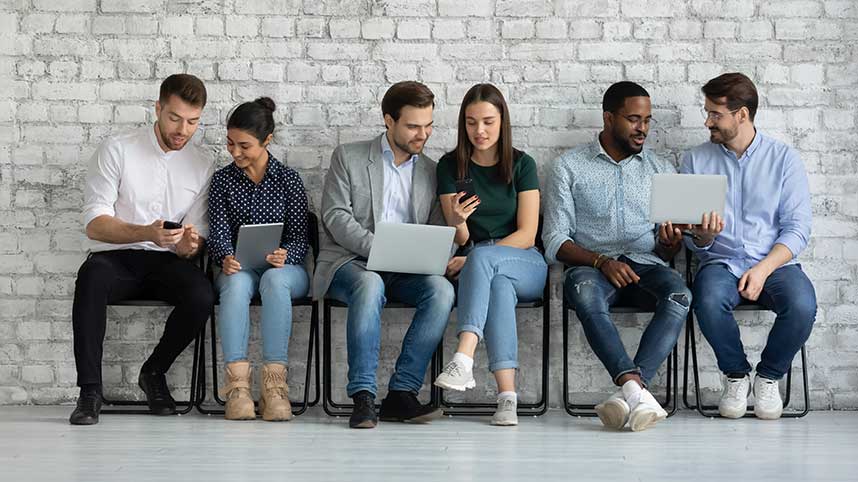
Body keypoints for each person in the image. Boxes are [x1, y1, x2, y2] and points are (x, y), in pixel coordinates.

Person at [662, 73, 816, 420]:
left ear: (742, 115)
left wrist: (763, 270)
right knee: (708, 299)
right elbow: (695, 241)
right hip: (721, 262)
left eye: (715, 114)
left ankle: (768, 377)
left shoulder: (784, 160)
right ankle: (736, 375)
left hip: (773, 263)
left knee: (803, 304)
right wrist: (704, 236)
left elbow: (798, 229)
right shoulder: (695, 161)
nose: (707, 121)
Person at [542, 81, 691, 432]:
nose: (643, 128)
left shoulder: (660, 169)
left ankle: (630, 393)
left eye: (647, 120)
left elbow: (664, 245)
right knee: (585, 295)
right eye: (633, 119)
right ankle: (636, 391)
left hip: (646, 264)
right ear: (608, 118)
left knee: (680, 294)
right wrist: (601, 262)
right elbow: (554, 239)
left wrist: (671, 243)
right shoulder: (569, 166)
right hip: (591, 267)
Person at [70, 74, 216, 425]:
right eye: (175, 118)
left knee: (202, 294)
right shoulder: (117, 149)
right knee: (91, 276)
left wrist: (187, 245)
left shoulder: (202, 162)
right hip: (116, 258)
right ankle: (90, 391)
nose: (183, 129)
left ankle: (154, 372)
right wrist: (146, 232)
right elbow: (94, 222)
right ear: (158, 109)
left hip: (166, 262)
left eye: (193, 121)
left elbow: (192, 242)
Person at [313, 81, 455, 429]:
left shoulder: (433, 171)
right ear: (388, 121)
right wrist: (379, 249)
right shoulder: (349, 156)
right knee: (370, 284)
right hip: (351, 262)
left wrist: (444, 254)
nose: (422, 134)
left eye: (428, 125)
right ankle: (363, 395)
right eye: (412, 126)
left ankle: (401, 394)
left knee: (442, 291)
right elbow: (335, 216)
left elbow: (440, 228)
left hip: (406, 268)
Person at [432, 84, 546, 426]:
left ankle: (464, 356)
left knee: (482, 259)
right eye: (470, 122)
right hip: (482, 268)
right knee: (495, 285)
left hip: (524, 261)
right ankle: (507, 398)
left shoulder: (522, 164)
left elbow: (527, 234)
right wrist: (459, 220)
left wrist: (480, 257)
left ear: (502, 121)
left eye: (487, 122)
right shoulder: (451, 166)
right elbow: (463, 239)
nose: (478, 131)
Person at [207, 97, 310, 422]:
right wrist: (224, 256)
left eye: (244, 145)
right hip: (239, 269)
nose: (235, 152)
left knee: (274, 280)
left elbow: (300, 238)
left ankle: (274, 388)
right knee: (236, 285)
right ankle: (238, 388)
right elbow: (218, 231)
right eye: (230, 143)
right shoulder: (222, 181)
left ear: (267, 141)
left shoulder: (288, 180)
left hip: (284, 270)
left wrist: (286, 255)